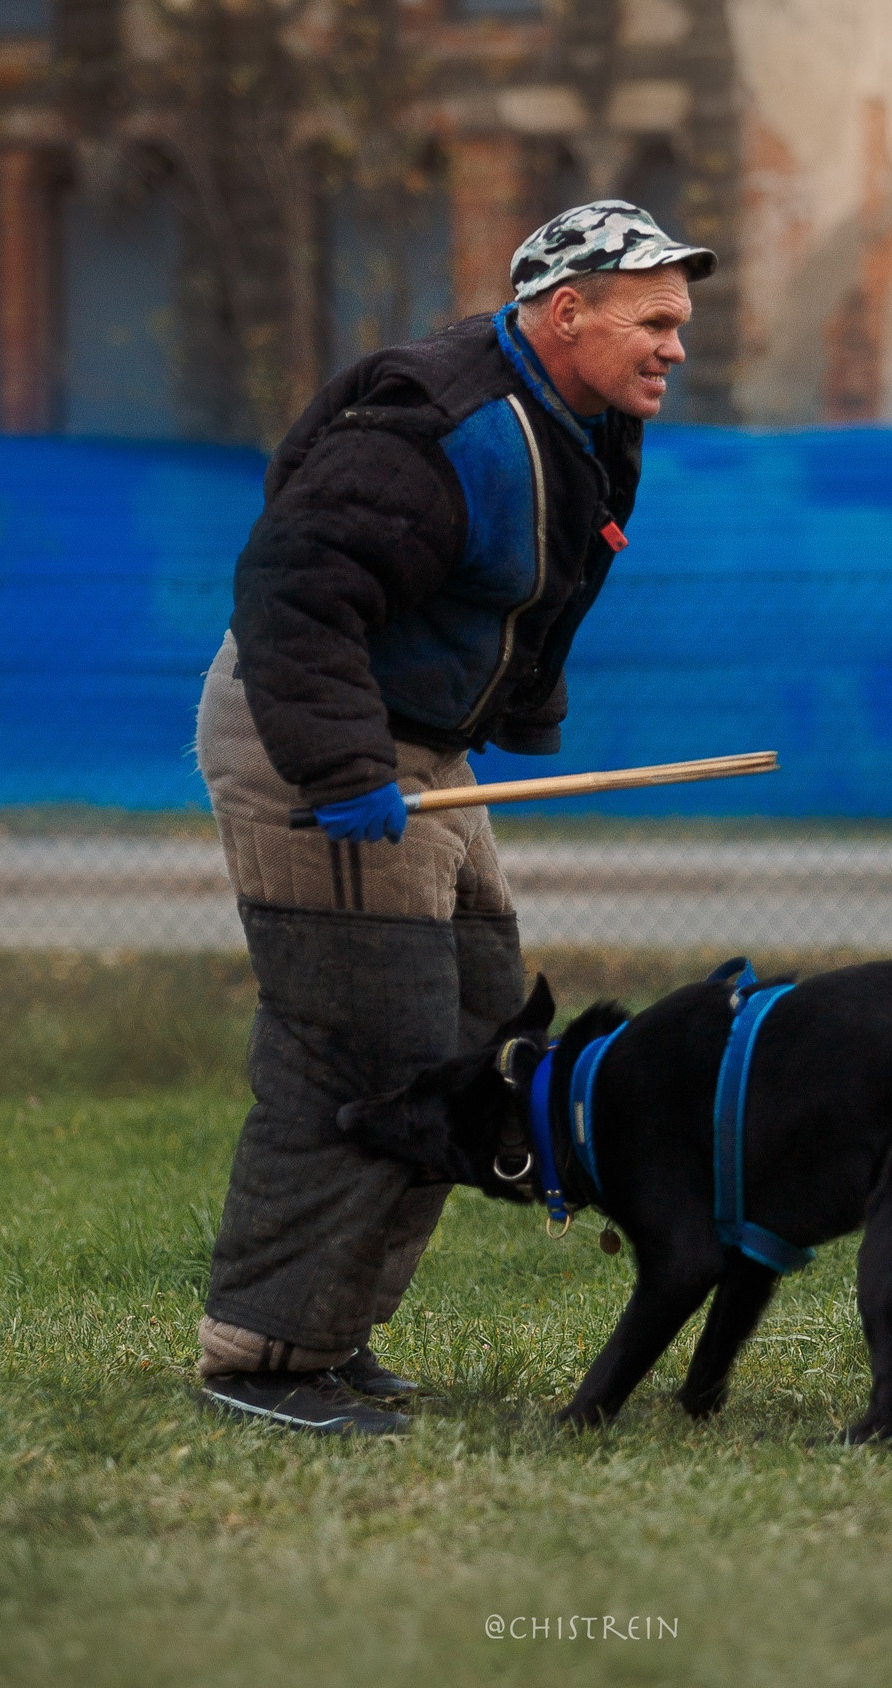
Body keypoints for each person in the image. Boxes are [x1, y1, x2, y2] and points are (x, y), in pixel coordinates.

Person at [193, 202, 714, 1435]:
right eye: (653, 322)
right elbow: (293, 587)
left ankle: (337, 1331)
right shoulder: (445, 424)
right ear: (564, 310)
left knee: (477, 1027)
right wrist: (339, 765)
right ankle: (264, 1362)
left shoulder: (575, 416)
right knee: (365, 1048)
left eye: (683, 325)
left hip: (417, 748)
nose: (676, 349)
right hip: (320, 739)